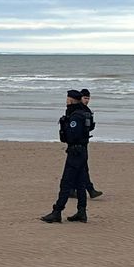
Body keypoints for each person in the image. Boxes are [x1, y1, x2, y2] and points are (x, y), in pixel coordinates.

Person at [41, 90, 92, 223]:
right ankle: (81, 212)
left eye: (67, 99)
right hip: (83, 151)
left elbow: (72, 136)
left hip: (75, 152)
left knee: (66, 183)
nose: (66, 101)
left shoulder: (75, 116)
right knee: (80, 183)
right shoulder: (85, 112)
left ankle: (57, 212)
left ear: (70, 100)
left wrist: (65, 126)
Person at [69, 88, 103, 199]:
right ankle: (90, 190)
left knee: (79, 167)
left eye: (88, 98)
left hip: (83, 142)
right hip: (77, 143)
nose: (87, 100)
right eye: (85, 98)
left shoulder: (86, 110)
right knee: (81, 167)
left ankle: (73, 189)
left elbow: (90, 126)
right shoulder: (77, 110)